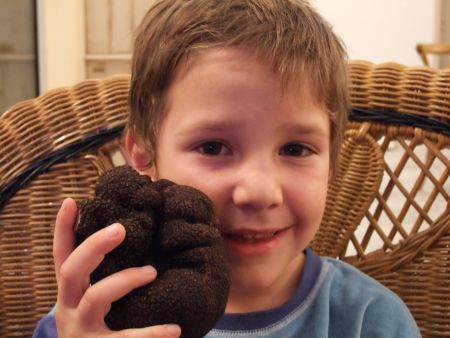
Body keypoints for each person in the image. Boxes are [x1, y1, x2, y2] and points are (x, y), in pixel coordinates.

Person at [33, 0, 421, 337]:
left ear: (332, 161)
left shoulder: (370, 321)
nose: (259, 191)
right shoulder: (94, 318)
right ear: (144, 154)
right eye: (214, 147)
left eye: (295, 148)